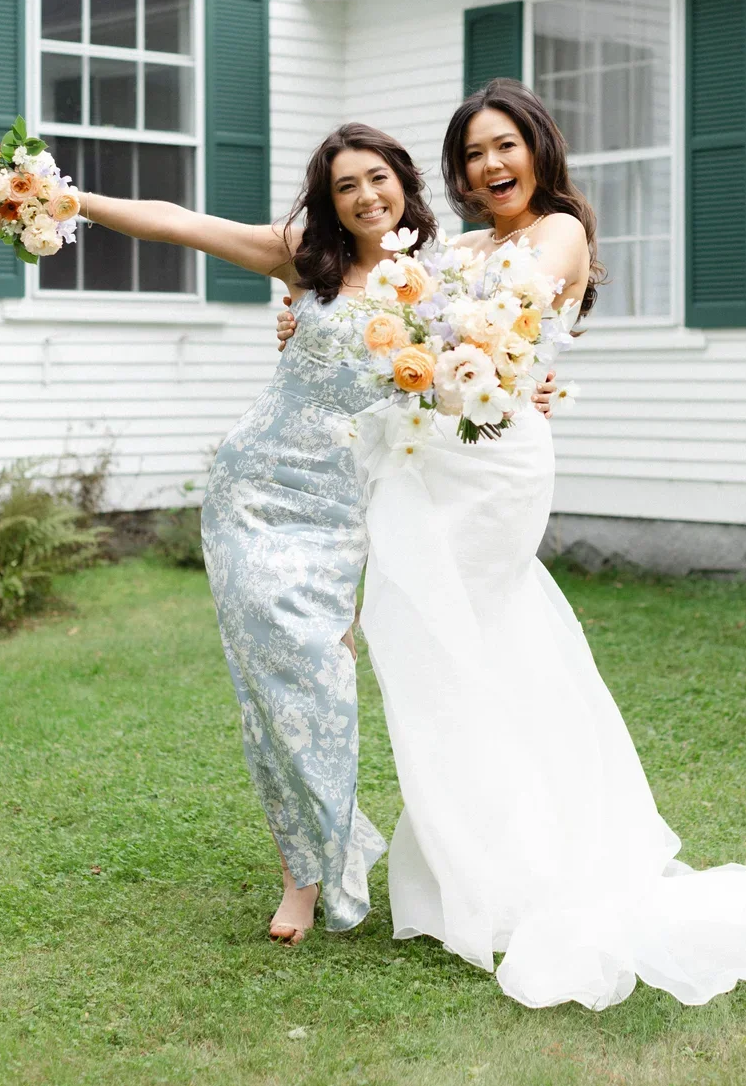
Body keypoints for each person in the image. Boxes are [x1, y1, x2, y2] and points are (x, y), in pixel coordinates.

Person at [276, 81, 746, 1009]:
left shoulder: (558, 232)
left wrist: (461, 352)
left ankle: (529, 865)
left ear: (537, 147)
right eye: (472, 155)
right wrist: (316, 326)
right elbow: (396, 311)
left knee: (455, 643)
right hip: (429, 462)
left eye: (504, 147)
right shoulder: (454, 247)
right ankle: (484, 858)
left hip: (494, 464)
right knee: (451, 657)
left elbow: (498, 334)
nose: (489, 167)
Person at [76, 122, 557, 947]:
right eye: (346, 186)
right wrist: (71, 200)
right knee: (273, 681)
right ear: (329, 202)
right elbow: (180, 222)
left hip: (347, 506)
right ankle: (301, 875)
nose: (366, 196)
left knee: (324, 684)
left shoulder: (445, 279)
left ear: (404, 183)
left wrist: (521, 389)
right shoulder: (307, 261)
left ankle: (339, 847)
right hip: (255, 488)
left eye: (378, 178)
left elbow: (514, 314)